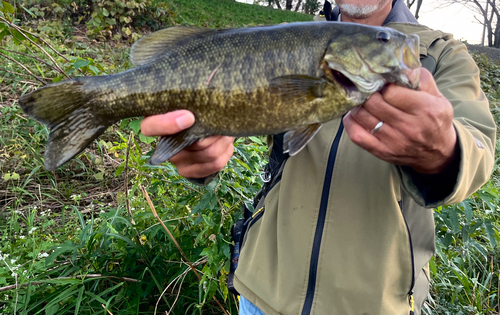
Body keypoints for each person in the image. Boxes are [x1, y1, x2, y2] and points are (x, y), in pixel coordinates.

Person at [141, 0, 496, 314]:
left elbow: (479, 147)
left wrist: (444, 152)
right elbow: (226, 109)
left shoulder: (440, 54)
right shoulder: (285, 37)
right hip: (262, 292)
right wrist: (198, 153)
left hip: (375, 305)